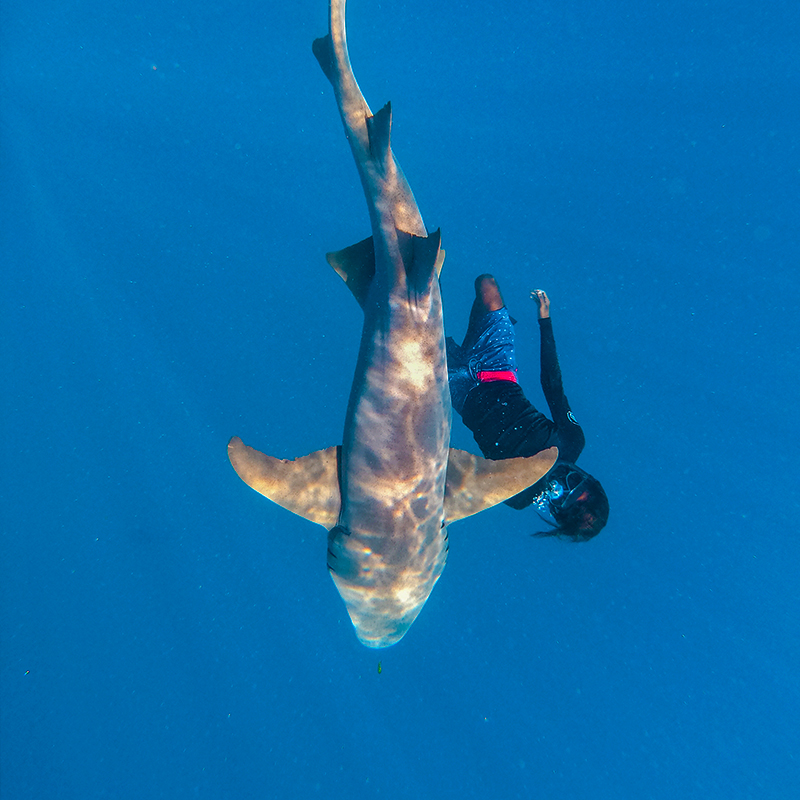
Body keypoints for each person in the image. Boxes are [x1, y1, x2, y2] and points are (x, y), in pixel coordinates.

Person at [446, 274, 608, 541]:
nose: (564, 480)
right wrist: (545, 320)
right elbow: (552, 385)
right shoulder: (572, 442)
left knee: (410, 331)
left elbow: (458, 474)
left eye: (564, 494)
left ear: (556, 510)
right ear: (588, 477)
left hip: (459, 392)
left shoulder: (515, 494)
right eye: (577, 480)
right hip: (497, 368)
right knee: (487, 285)